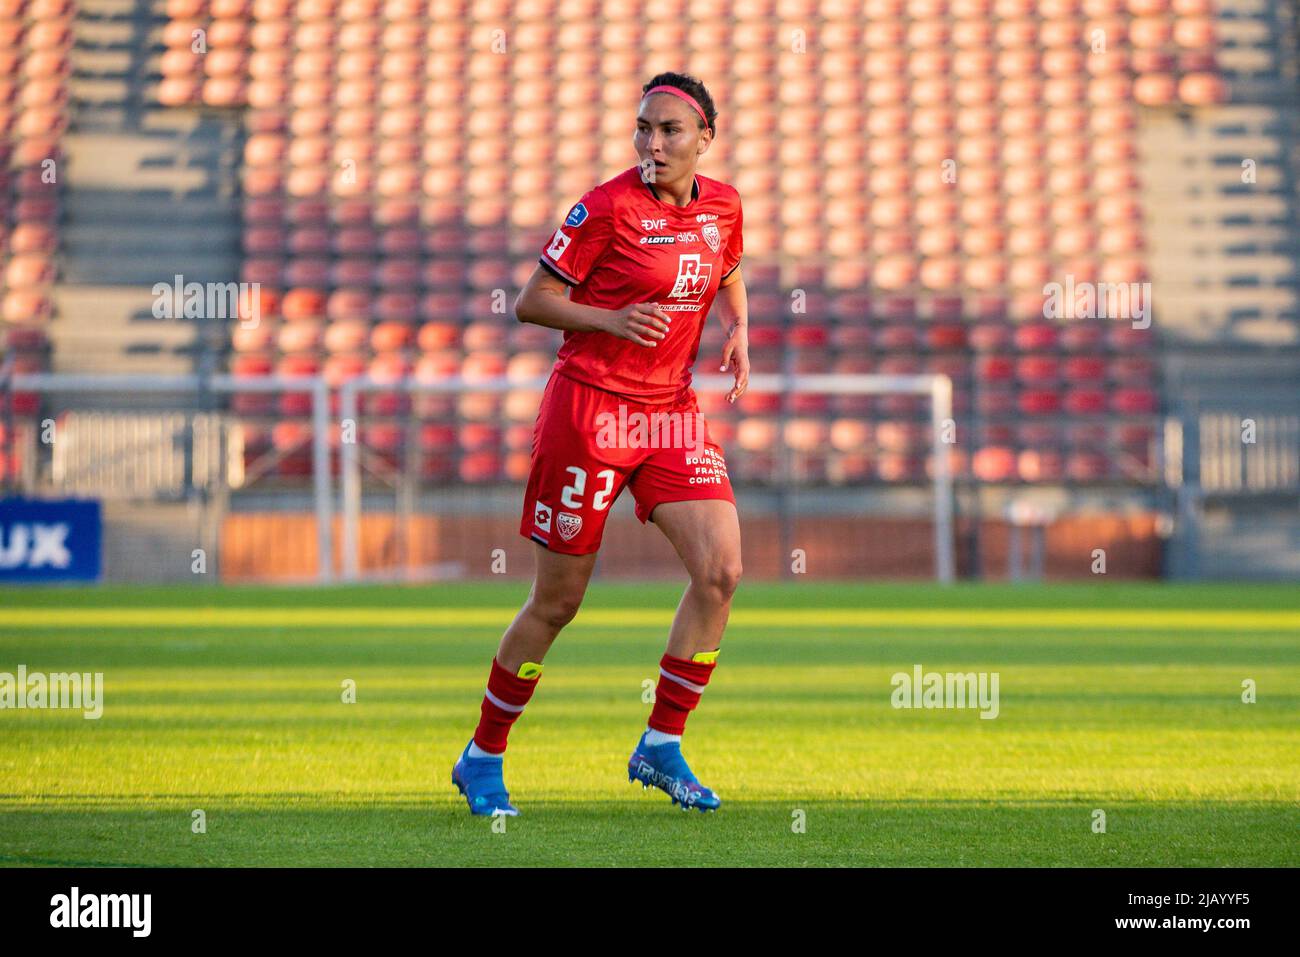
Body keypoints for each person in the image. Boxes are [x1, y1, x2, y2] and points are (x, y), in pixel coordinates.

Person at [452, 71, 750, 815]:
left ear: (704, 138)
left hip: (671, 414)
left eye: (669, 130)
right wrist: (613, 320)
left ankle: (660, 745)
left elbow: (727, 267)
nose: (653, 143)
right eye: (643, 128)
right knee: (557, 602)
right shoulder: (606, 207)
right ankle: (482, 754)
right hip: (589, 413)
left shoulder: (724, 205)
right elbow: (532, 301)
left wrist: (740, 326)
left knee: (721, 572)